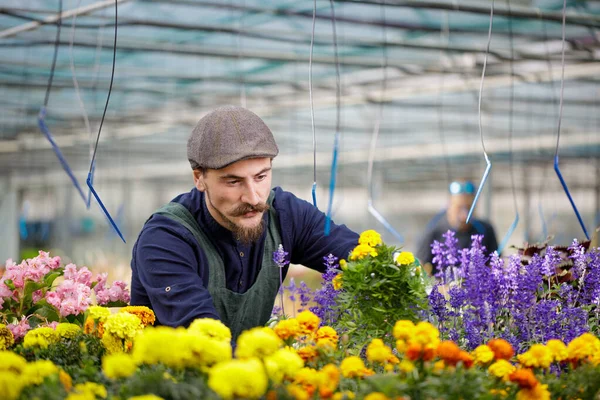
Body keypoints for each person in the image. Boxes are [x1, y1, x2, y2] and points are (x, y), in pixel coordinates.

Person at [130, 105, 359, 339]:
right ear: (199, 178)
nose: (253, 197)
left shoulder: (285, 214)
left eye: (261, 177)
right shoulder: (166, 238)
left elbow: (367, 261)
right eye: (233, 182)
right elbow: (206, 343)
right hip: (178, 373)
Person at [416, 180, 498, 275]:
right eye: (459, 208)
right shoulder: (433, 230)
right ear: (449, 206)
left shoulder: (485, 229)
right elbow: (420, 266)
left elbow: (494, 264)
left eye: (468, 208)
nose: (464, 214)